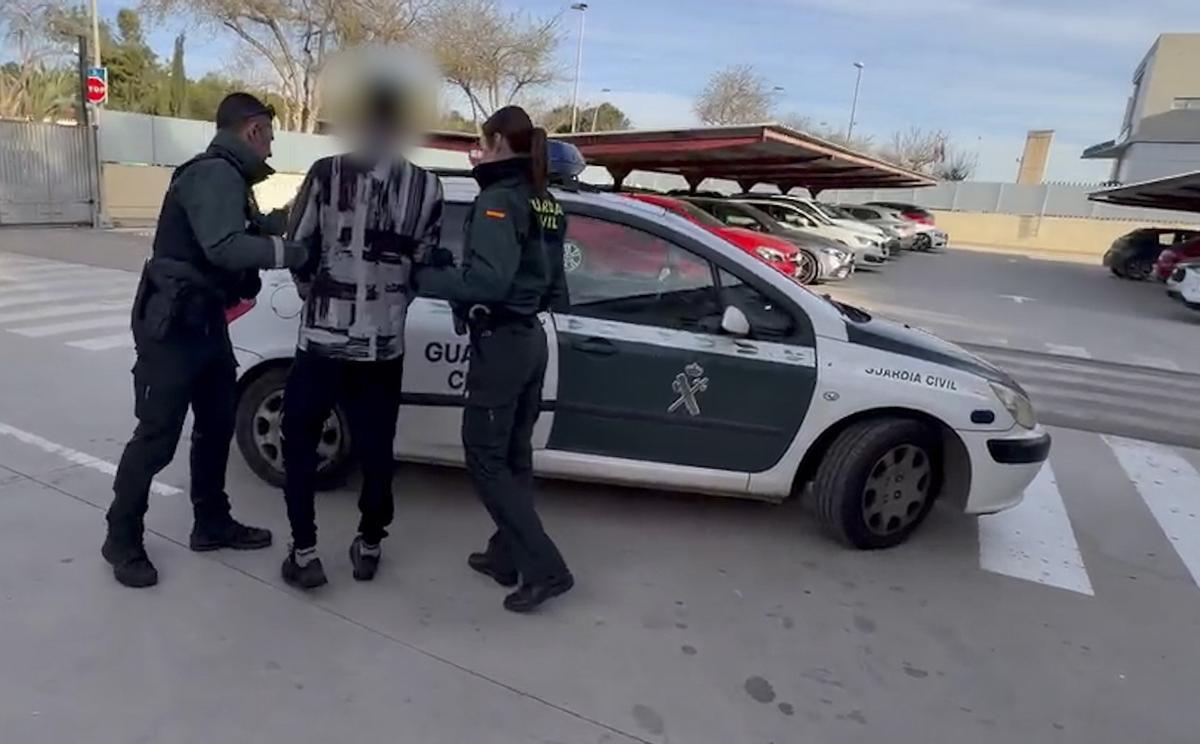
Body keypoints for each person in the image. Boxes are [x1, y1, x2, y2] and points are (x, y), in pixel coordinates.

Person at [103, 93, 310, 588]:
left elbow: (257, 228)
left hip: (205, 325)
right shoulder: (213, 174)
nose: (272, 147)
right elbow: (226, 246)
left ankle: (211, 522)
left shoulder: (231, 179)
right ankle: (121, 538)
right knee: (155, 439)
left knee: (216, 426)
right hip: (172, 330)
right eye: (271, 136)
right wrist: (294, 254)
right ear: (253, 131)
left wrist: (301, 209)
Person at [278, 71, 445, 590]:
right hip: (384, 343)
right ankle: (370, 545)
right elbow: (422, 267)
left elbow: (299, 247)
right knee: (377, 447)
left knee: (300, 439)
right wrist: (389, 304)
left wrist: (315, 294)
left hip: (324, 339)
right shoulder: (427, 185)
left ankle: (304, 553)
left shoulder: (327, 174)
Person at [416, 105, 572, 613]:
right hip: (530, 338)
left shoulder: (499, 201)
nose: (479, 151)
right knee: (513, 456)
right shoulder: (546, 199)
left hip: (503, 342)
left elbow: (488, 281)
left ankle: (546, 569)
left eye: (484, 141)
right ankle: (505, 556)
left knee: (485, 458)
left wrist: (425, 279)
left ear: (502, 140)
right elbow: (554, 286)